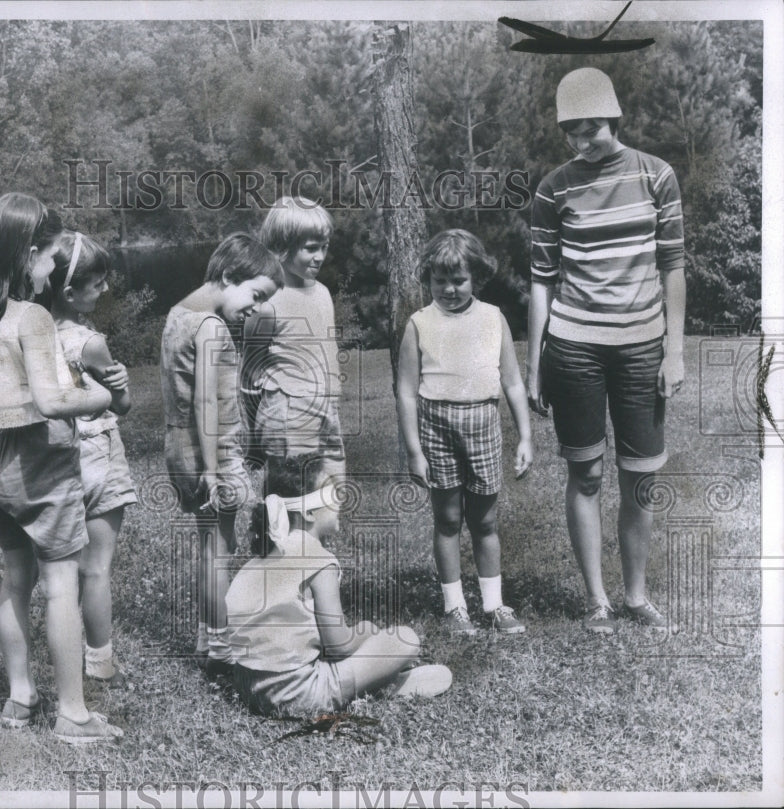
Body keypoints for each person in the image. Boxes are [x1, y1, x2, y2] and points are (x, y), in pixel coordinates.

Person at [0, 193, 123, 743]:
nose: (54, 270)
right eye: (50, 259)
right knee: (61, 582)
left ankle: (19, 697)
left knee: (15, 578)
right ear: (29, 254)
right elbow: (56, 401)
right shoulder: (32, 316)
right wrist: (98, 398)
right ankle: (72, 715)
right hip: (41, 462)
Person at [526, 67, 686, 634]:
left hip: (642, 346)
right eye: (571, 131)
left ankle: (636, 596)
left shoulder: (656, 175)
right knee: (586, 474)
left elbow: (673, 265)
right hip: (574, 348)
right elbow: (541, 278)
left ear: (613, 119)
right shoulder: (554, 187)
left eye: (591, 128)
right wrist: (535, 365)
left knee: (640, 477)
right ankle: (597, 600)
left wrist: (675, 350)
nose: (581, 141)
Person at [226, 454, 453, 717]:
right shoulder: (319, 561)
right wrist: (365, 631)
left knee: (362, 641)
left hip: (248, 687)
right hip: (297, 694)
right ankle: (377, 684)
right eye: (333, 494)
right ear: (310, 511)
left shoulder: (263, 555)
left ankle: (371, 680)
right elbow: (338, 645)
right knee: (405, 640)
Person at [396, 230, 534, 635]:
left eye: (458, 280)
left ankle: (494, 605)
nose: (450, 289)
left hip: (482, 424)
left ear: (476, 277)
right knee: (448, 519)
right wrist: (414, 451)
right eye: (440, 281)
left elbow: (511, 382)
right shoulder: (419, 323)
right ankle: (455, 607)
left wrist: (525, 435)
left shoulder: (493, 318)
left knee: (486, 521)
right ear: (428, 280)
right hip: (436, 427)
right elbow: (405, 392)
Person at [160, 233, 283, 675]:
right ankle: (219, 649)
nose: (255, 309)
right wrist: (214, 471)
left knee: (209, 544)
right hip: (212, 453)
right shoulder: (211, 328)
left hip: (182, 447)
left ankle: (205, 633)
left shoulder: (178, 315)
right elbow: (206, 404)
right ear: (230, 275)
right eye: (255, 296)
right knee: (219, 550)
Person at [44, 230, 137, 683]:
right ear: (69, 290)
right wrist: (121, 389)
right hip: (98, 452)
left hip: (57, 456)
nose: (104, 289)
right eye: (97, 282)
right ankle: (100, 663)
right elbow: (119, 406)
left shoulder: (34, 332)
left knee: (62, 571)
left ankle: (62, 653)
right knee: (97, 567)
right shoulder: (89, 342)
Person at [242, 196, 345, 485]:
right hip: (286, 419)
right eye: (311, 249)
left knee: (328, 499)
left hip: (326, 412)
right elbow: (250, 372)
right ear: (281, 248)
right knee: (289, 505)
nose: (320, 257)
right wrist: (254, 437)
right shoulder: (267, 302)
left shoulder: (323, 292)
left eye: (324, 247)